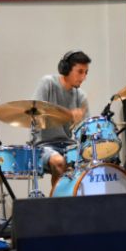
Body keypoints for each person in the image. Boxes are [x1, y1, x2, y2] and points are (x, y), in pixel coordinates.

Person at [33, 50, 91, 186]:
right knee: (59, 162)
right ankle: (58, 199)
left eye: (86, 72)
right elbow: (35, 113)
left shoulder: (81, 96)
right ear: (66, 69)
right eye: (80, 71)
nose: (83, 77)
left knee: (91, 164)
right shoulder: (48, 83)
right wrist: (68, 114)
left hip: (68, 146)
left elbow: (86, 131)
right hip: (43, 145)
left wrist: (81, 126)